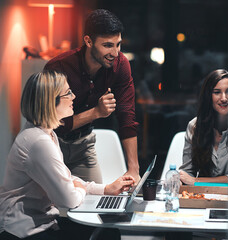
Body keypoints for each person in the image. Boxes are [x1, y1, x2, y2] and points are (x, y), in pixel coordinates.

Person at [0, 71, 135, 239]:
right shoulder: (38, 142)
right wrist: (79, 190)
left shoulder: (47, 134)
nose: (73, 97)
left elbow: (68, 179)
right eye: (68, 93)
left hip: (42, 222)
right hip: (24, 230)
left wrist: (105, 189)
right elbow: (68, 200)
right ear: (51, 102)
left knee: (108, 231)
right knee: (106, 233)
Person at [44, 9, 140, 183]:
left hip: (83, 146)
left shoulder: (120, 65)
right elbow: (53, 124)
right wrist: (96, 112)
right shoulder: (58, 68)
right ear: (88, 41)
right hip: (51, 145)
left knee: (93, 203)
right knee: (52, 207)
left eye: (118, 44)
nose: (115, 53)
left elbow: (127, 115)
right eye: (107, 45)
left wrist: (133, 169)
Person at [179, 69, 228, 186]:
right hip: (203, 198)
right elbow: (187, 173)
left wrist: (196, 181)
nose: (224, 98)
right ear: (208, 95)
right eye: (217, 92)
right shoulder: (194, 126)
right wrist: (179, 180)